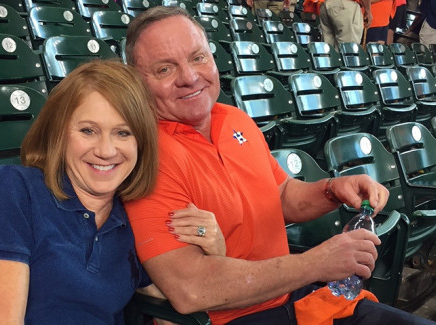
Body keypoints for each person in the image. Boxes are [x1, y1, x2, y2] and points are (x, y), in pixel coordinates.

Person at [123, 6, 436, 325]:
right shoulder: (146, 156)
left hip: (291, 299)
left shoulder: (235, 119)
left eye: (198, 57)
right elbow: (190, 288)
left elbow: (281, 193)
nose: (189, 77)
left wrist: (332, 190)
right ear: (138, 82)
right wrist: (316, 264)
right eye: (164, 69)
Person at [0, 59, 225, 324]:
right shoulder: (12, 190)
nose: (106, 151)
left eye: (123, 133)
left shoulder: (131, 217)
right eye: (88, 131)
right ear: (58, 133)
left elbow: (174, 305)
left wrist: (215, 255)